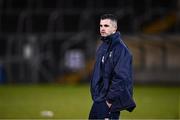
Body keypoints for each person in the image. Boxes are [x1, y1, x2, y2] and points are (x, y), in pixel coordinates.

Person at [89, 14, 136, 119]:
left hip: (108, 101)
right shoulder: (103, 47)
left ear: (114, 28)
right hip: (99, 99)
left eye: (106, 26)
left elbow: (121, 77)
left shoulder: (121, 49)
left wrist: (109, 101)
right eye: (101, 26)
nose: (102, 29)